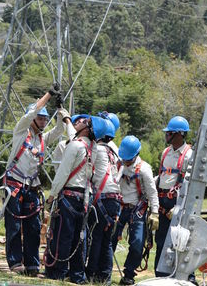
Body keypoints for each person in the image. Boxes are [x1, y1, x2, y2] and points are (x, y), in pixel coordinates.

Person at [3, 86, 69, 275]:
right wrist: (48, 95)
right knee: (14, 225)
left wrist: (59, 108)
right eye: (40, 118)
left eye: (44, 118)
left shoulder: (42, 138)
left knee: (33, 227)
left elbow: (59, 129)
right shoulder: (21, 131)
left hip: (31, 187)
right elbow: (32, 110)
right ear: (32, 119)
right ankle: (16, 263)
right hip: (14, 184)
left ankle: (32, 265)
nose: (42, 121)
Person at [44, 115, 112, 284]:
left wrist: (51, 197)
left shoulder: (74, 146)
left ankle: (58, 272)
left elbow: (62, 173)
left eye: (83, 122)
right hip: (83, 198)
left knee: (63, 237)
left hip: (68, 196)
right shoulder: (93, 148)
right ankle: (77, 275)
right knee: (78, 239)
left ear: (88, 129)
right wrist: (66, 119)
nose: (78, 123)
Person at [112, 135, 159, 286]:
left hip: (137, 210)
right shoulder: (120, 165)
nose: (125, 161)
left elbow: (152, 192)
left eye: (128, 158)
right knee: (109, 239)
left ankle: (128, 274)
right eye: (123, 158)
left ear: (136, 155)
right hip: (119, 207)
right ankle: (103, 270)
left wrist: (155, 212)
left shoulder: (144, 170)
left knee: (138, 244)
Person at [154, 116, 193, 279]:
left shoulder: (189, 154)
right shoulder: (166, 152)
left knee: (180, 240)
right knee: (161, 239)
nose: (166, 135)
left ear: (178, 134)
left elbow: (189, 183)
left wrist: (178, 206)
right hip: (163, 200)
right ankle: (160, 275)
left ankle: (187, 276)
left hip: (177, 201)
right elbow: (162, 176)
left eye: (169, 132)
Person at [86, 114, 121, 284]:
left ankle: (91, 272)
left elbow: (88, 171)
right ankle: (105, 276)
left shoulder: (97, 149)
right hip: (113, 199)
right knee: (106, 240)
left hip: (102, 198)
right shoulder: (113, 151)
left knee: (96, 237)